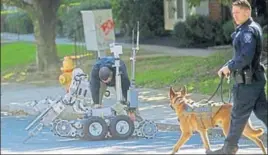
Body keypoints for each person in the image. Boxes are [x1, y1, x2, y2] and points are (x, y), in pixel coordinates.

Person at [207, 0, 267, 154]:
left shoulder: (247, 32)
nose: (234, 16)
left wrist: (230, 67)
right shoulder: (252, 28)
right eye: (233, 13)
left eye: (237, 12)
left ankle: (228, 149)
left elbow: (245, 56)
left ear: (247, 12)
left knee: (237, 116)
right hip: (256, 80)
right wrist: (228, 65)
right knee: (263, 112)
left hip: (247, 83)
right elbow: (241, 55)